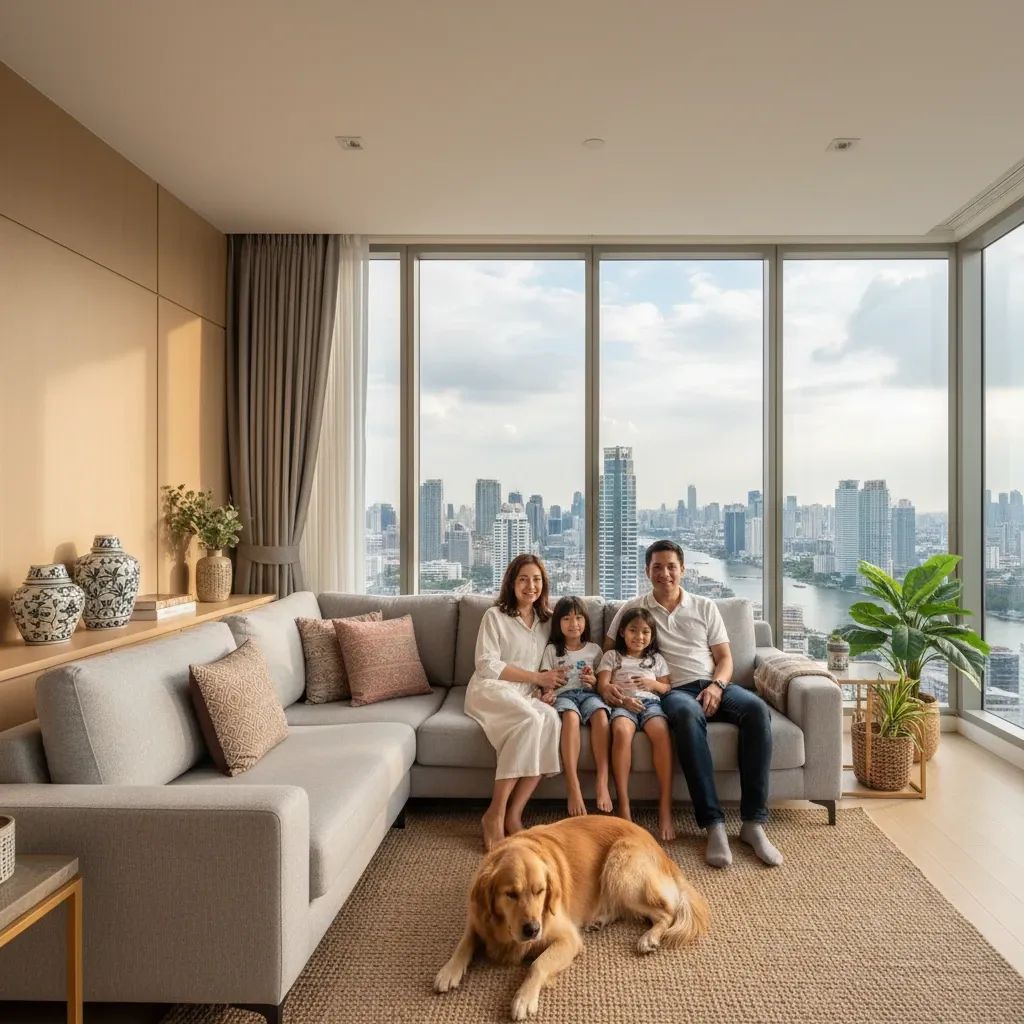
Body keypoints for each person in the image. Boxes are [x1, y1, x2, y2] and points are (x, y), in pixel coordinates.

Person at [604, 540, 781, 868]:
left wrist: (717, 685)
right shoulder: (633, 608)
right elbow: (610, 653)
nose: (665, 573)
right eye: (657, 567)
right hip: (674, 691)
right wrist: (607, 684)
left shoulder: (704, 606)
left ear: (683, 570)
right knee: (686, 717)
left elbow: (725, 659)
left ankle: (753, 823)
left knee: (757, 711)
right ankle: (713, 824)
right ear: (647, 571)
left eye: (671, 566)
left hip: (715, 683)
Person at [465, 554, 563, 851]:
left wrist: (548, 687)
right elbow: (486, 664)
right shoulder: (495, 616)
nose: (530, 585)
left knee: (550, 720)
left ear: (543, 584)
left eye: (536, 579)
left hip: (526, 692)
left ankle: (514, 814)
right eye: (523, 579)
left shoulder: (548, 621)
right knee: (531, 720)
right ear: (512, 583)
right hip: (491, 688)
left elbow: (554, 662)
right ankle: (494, 814)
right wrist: (537, 677)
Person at [597, 608, 676, 841]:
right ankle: (624, 804)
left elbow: (666, 687)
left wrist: (652, 684)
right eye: (633, 630)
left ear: (652, 636)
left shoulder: (656, 660)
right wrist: (621, 699)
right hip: (623, 704)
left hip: (650, 705)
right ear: (622, 632)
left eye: (645, 632)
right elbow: (602, 686)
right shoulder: (612, 656)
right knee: (621, 731)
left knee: (661, 732)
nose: (638, 637)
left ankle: (664, 808)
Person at [537, 596, 611, 817]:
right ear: (558, 623)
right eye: (567, 618)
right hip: (565, 696)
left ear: (586, 621)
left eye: (578, 618)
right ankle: (573, 785)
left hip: (589, 695)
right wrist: (548, 691)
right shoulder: (552, 650)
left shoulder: (594, 650)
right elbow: (543, 678)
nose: (573, 623)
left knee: (600, 715)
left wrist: (594, 682)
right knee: (570, 718)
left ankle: (602, 781)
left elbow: (602, 680)